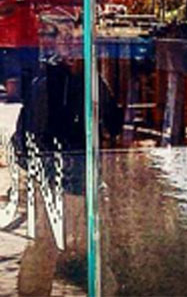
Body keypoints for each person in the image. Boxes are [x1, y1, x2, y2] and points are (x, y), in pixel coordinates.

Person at [14, 18, 123, 296]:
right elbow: (28, 136)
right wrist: (39, 178)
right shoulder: (47, 83)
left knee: (91, 248)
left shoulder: (93, 83)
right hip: (54, 181)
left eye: (80, 43)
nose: (75, 49)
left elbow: (114, 125)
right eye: (70, 42)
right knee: (45, 246)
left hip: (82, 179)